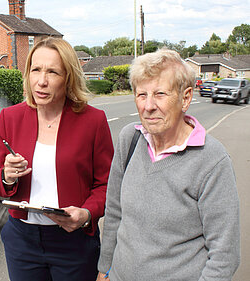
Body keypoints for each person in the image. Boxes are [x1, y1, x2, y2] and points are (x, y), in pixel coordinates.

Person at [97, 48, 240, 281]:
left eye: (160, 94)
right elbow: (114, 213)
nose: (148, 106)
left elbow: (225, 256)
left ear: (185, 98)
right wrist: (104, 270)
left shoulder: (212, 160)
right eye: (141, 95)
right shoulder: (130, 139)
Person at [0, 37, 114, 281]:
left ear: (68, 78)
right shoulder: (10, 117)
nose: (41, 81)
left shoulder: (93, 121)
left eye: (53, 72)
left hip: (73, 243)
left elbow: (107, 185)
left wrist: (86, 214)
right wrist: (7, 176)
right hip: (22, 241)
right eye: (35, 70)